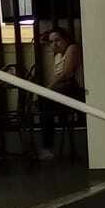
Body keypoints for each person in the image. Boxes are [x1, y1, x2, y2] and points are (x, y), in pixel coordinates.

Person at [38, 26, 84, 158]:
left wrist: (49, 88)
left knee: (45, 105)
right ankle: (47, 144)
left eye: (57, 40)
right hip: (61, 89)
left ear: (65, 39)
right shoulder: (58, 55)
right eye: (51, 42)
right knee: (43, 106)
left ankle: (47, 146)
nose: (54, 44)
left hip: (72, 88)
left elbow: (66, 73)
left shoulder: (72, 48)